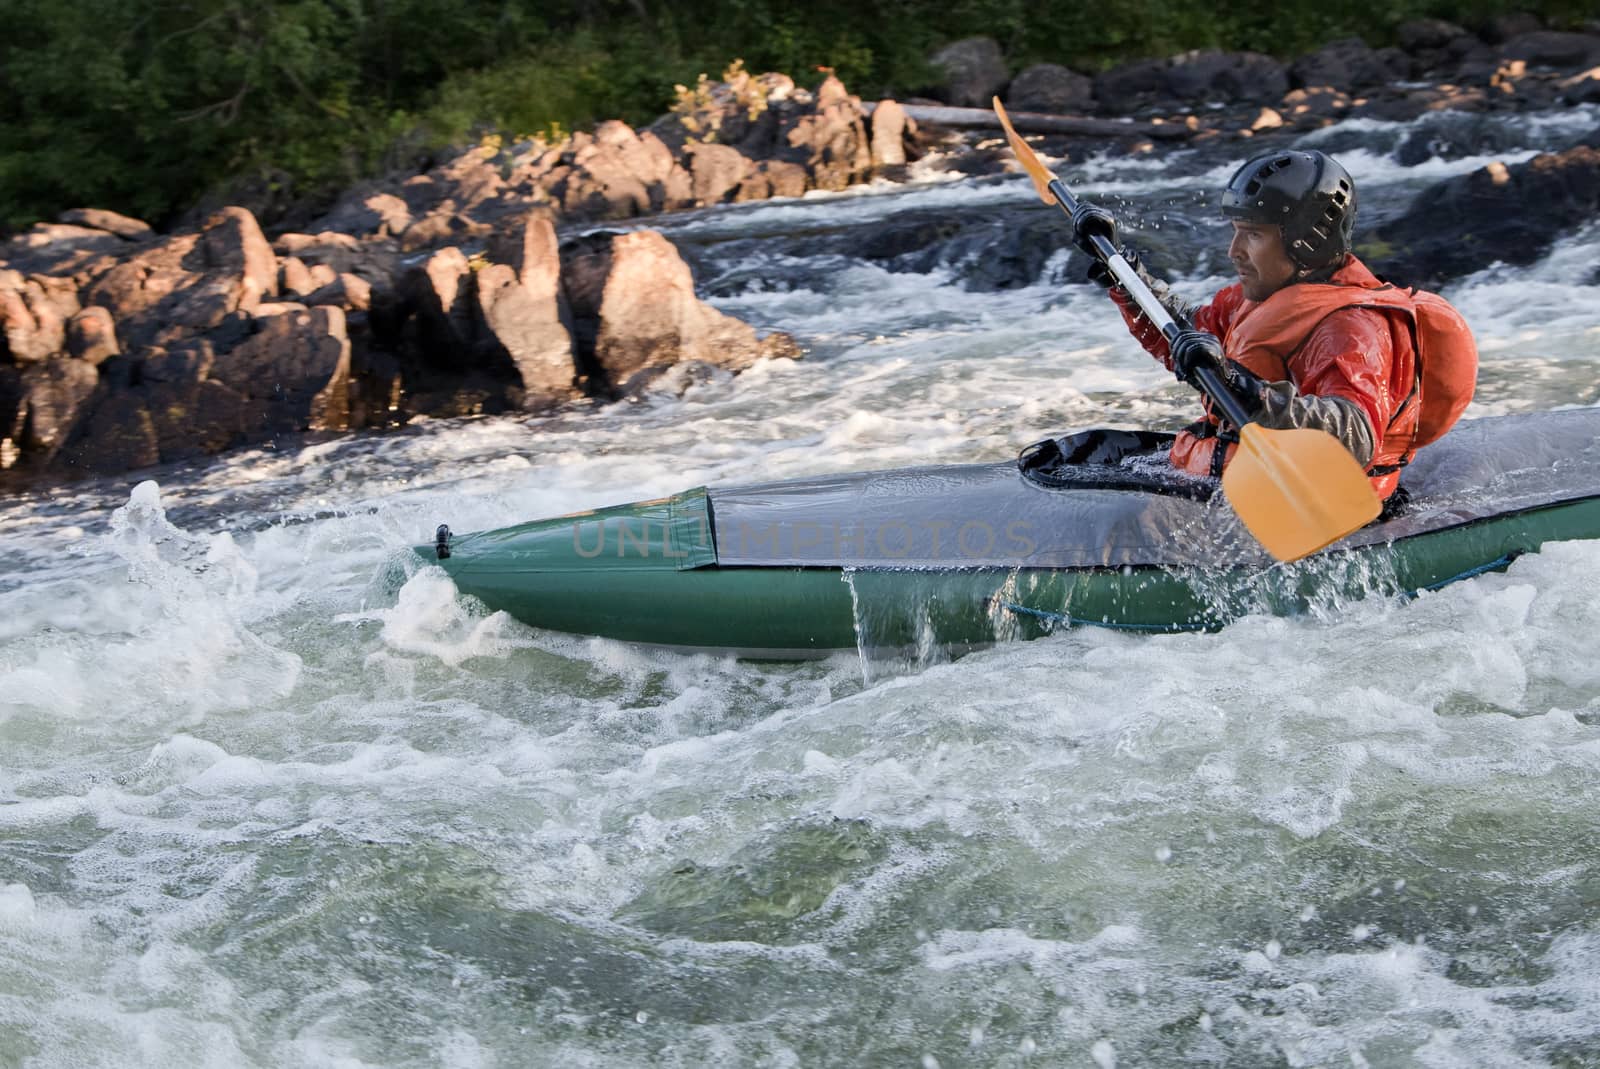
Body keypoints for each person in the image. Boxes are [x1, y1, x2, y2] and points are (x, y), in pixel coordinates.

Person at [1073, 149, 1475, 508]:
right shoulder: (1259, 298)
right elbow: (1185, 337)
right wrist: (1124, 275)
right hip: (1231, 482)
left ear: (1306, 240)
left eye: (1252, 234)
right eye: (1235, 232)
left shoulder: (1351, 327)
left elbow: (1355, 435)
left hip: (1311, 505)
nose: (1234, 251)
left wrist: (1248, 392)